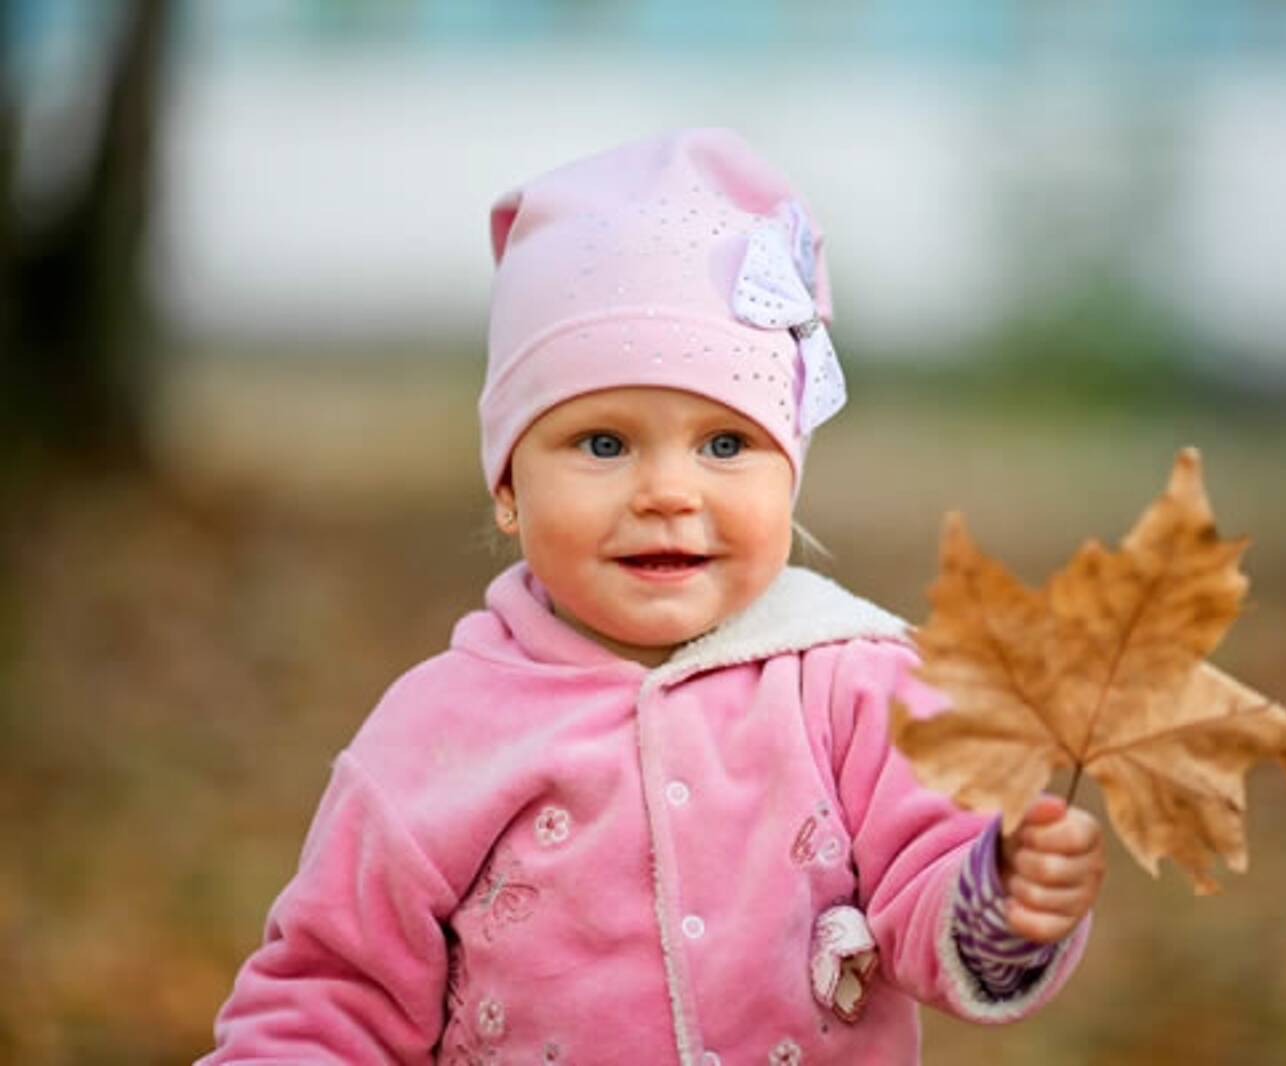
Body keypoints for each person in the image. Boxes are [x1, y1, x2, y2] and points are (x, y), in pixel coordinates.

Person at [202, 127, 1106, 1065]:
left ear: (788, 474)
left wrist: (1003, 895)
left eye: (725, 445)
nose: (668, 493)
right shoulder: (440, 731)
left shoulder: (858, 686)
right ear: (508, 489)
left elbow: (929, 876)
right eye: (603, 444)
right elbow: (332, 994)